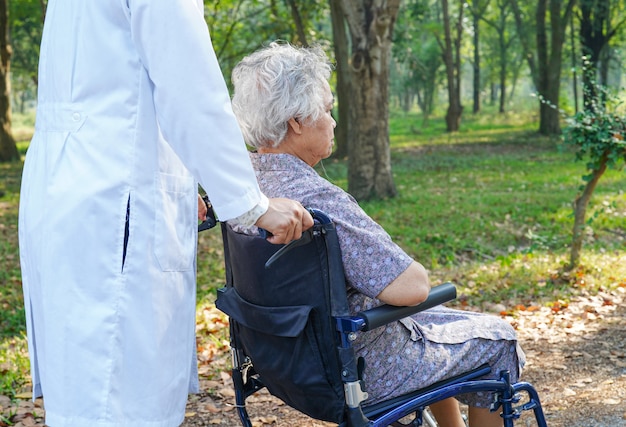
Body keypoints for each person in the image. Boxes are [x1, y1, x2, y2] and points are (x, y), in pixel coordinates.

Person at [18, 3, 313, 427]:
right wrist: (254, 205)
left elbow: (118, 92)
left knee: (87, 389)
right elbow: (192, 93)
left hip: (71, 194)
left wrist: (178, 182)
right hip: (114, 201)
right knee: (116, 395)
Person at [229, 42, 526, 427]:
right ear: (297, 121)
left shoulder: (243, 190)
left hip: (284, 365)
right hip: (358, 369)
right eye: (328, 110)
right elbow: (411, 288)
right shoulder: (318, 201)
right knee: (498, 340)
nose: (334, 122)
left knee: (436, 320)